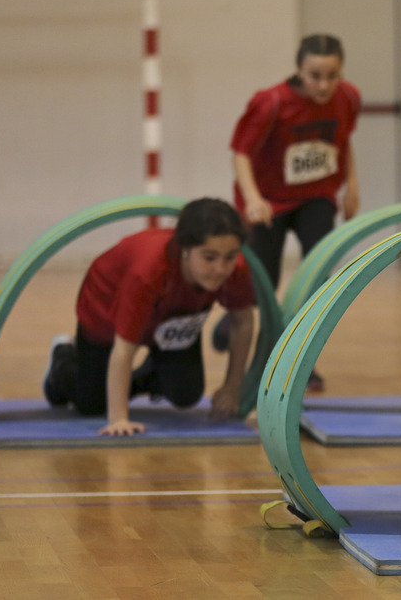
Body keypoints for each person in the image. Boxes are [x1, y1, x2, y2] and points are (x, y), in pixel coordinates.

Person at [42, 198, 256, 437]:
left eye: (229, 256)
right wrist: (119, 418)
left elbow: (243, 322)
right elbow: (124, 349)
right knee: (92, 404)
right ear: (185, 248)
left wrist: (232, 387)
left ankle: (148, 373)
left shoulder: (235, 269)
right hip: (106, 311)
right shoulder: (148, 271)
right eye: (209, 257)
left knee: (186, 393)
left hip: (170, 318)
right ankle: (62, 359)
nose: (220, 268)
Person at [220, 33, 362, 392]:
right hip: (268, 200)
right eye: (315, 75)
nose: (324, 84)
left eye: (333, 75)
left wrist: (352, 185)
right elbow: (241, 153)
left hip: (316, 196)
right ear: (299, 70)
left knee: (317, 276)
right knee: (262, 283)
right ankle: (232, 321)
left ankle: (299, 360)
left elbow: (343, 142)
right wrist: (253, 199)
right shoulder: (271, 103)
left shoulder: (348, 97)